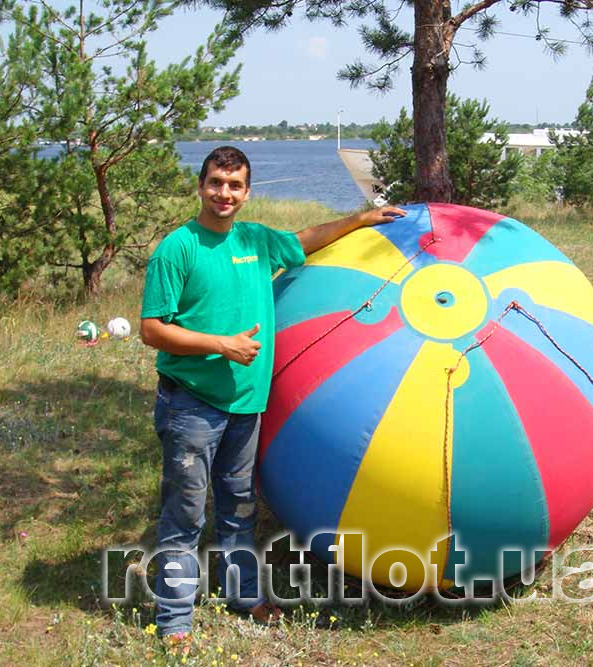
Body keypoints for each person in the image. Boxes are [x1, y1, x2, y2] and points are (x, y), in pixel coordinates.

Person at [139, 145, 405, 639]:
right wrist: (219, 344)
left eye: (235, 185)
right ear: (201, 186)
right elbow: (152, 330)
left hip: (246, 405)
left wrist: (362, 219)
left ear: (246, 192)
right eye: (216, 183)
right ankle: (174, 620)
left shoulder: (256, 240)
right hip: (192, 406)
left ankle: (242, 595)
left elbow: (305, 240)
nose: (225, 194)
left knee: (239, 506)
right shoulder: (177, 248)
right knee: (186, 513)